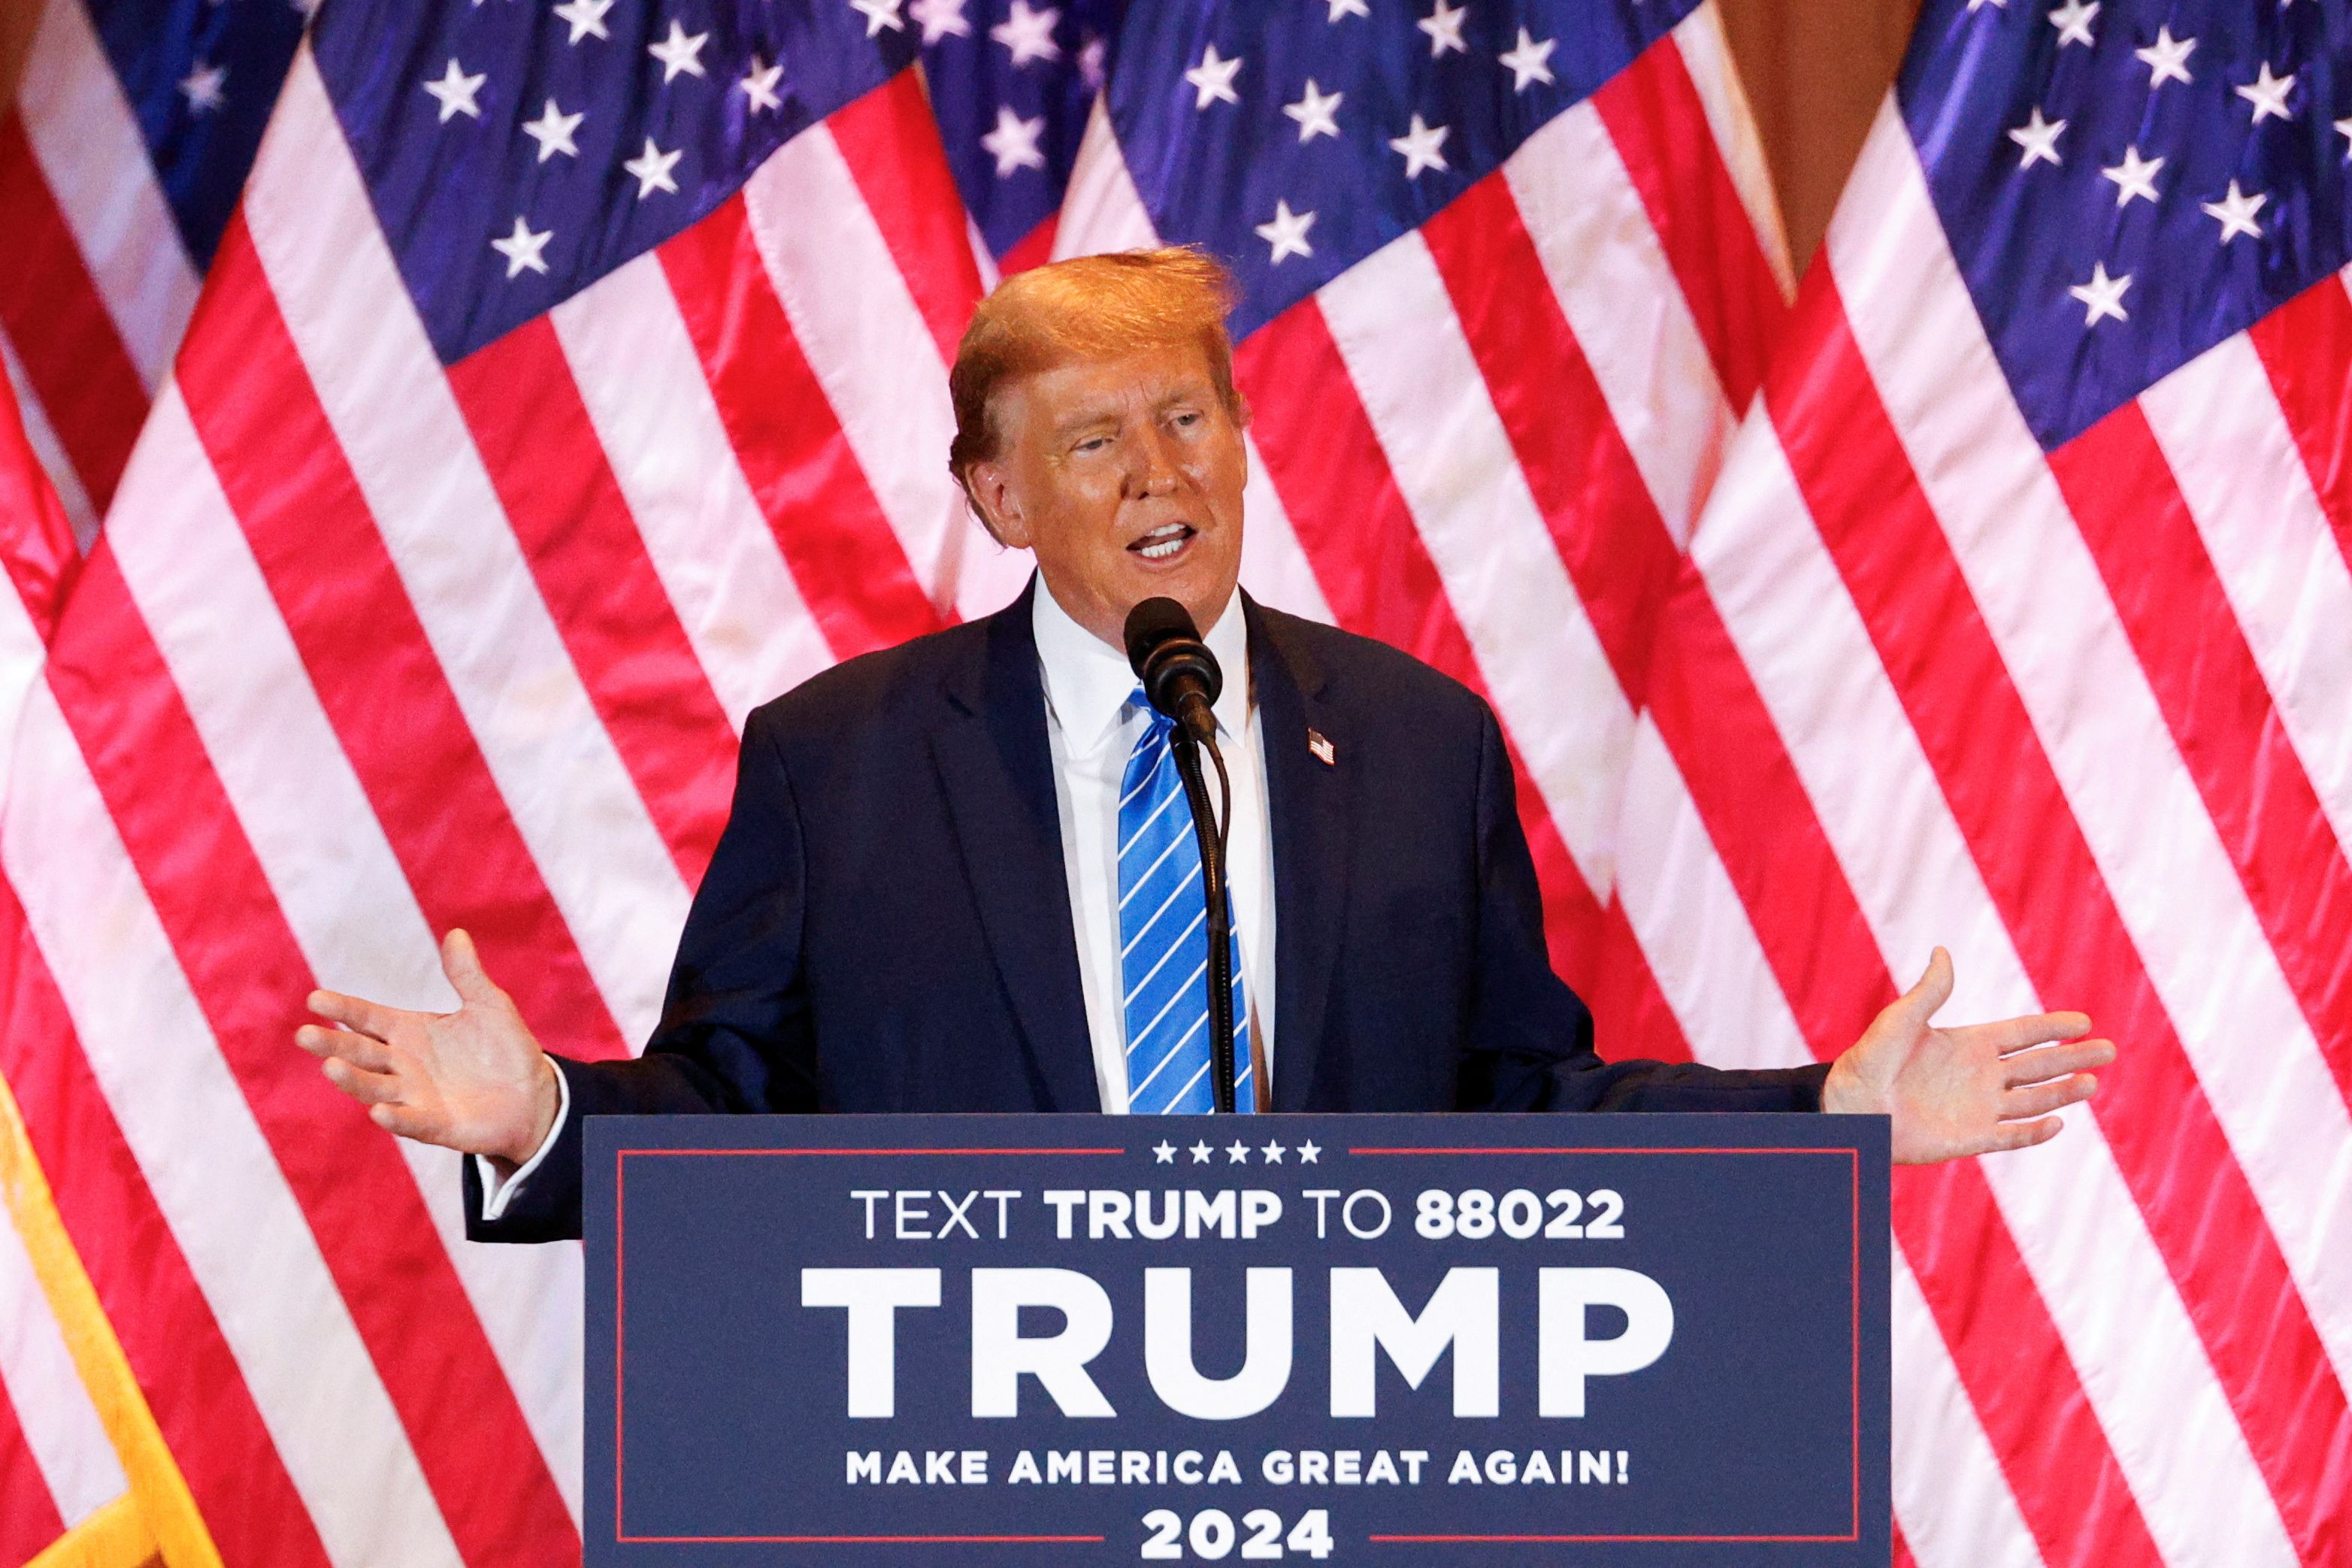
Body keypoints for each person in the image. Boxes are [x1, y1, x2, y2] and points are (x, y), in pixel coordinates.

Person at [294, 249, 2112, 1243]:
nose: (1158, 471)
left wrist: (1827, 1120)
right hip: (963, 1489)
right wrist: (537, 1113)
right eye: (1092, 441)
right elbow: (734, 1114)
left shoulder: (1416, 744)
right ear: (995, 494)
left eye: (1187, 416)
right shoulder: (840, 763)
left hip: (1342, 1483)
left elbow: (1514, 1108)